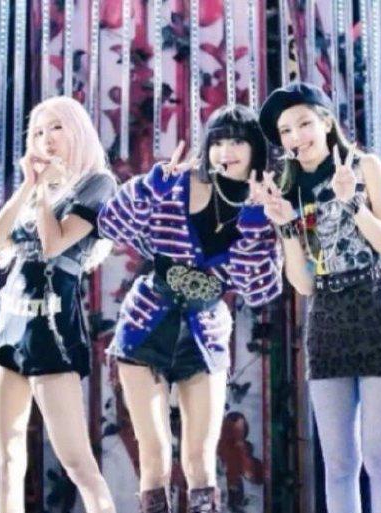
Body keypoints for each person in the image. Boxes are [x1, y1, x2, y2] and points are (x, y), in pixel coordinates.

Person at [98, 105, 283, 513]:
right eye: (218, 141)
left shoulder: (263, 205)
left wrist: (256, 219)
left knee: (200, 462)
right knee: (155, 457)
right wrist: (150, 186)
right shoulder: (176, 184)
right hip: (146, 327)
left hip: (205, 336)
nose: (226, 151)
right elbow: (111, 226)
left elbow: (259, 289)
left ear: (255, 150)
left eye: (237, 142)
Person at [255, 82, 381, 513]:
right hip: (326, 320)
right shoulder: (289, 188)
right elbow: (304, 284)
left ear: (326, 122)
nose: (296, 136)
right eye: (286, 131)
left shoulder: (365, 167)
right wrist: (286, 227)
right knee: (339, 464)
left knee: (380, 458)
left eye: (304, 123)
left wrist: (353, 203)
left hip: (378, 312)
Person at [0, 96, 118, 513]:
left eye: (56, 127)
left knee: (76, 460)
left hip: (52, 321)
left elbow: (54, 244)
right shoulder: (40, 187)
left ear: (77, 130)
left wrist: (40, 193)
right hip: (9, 318)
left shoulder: (97, 183)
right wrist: (29, 185)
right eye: (37, 132)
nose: (46, 139)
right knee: (7, 458)